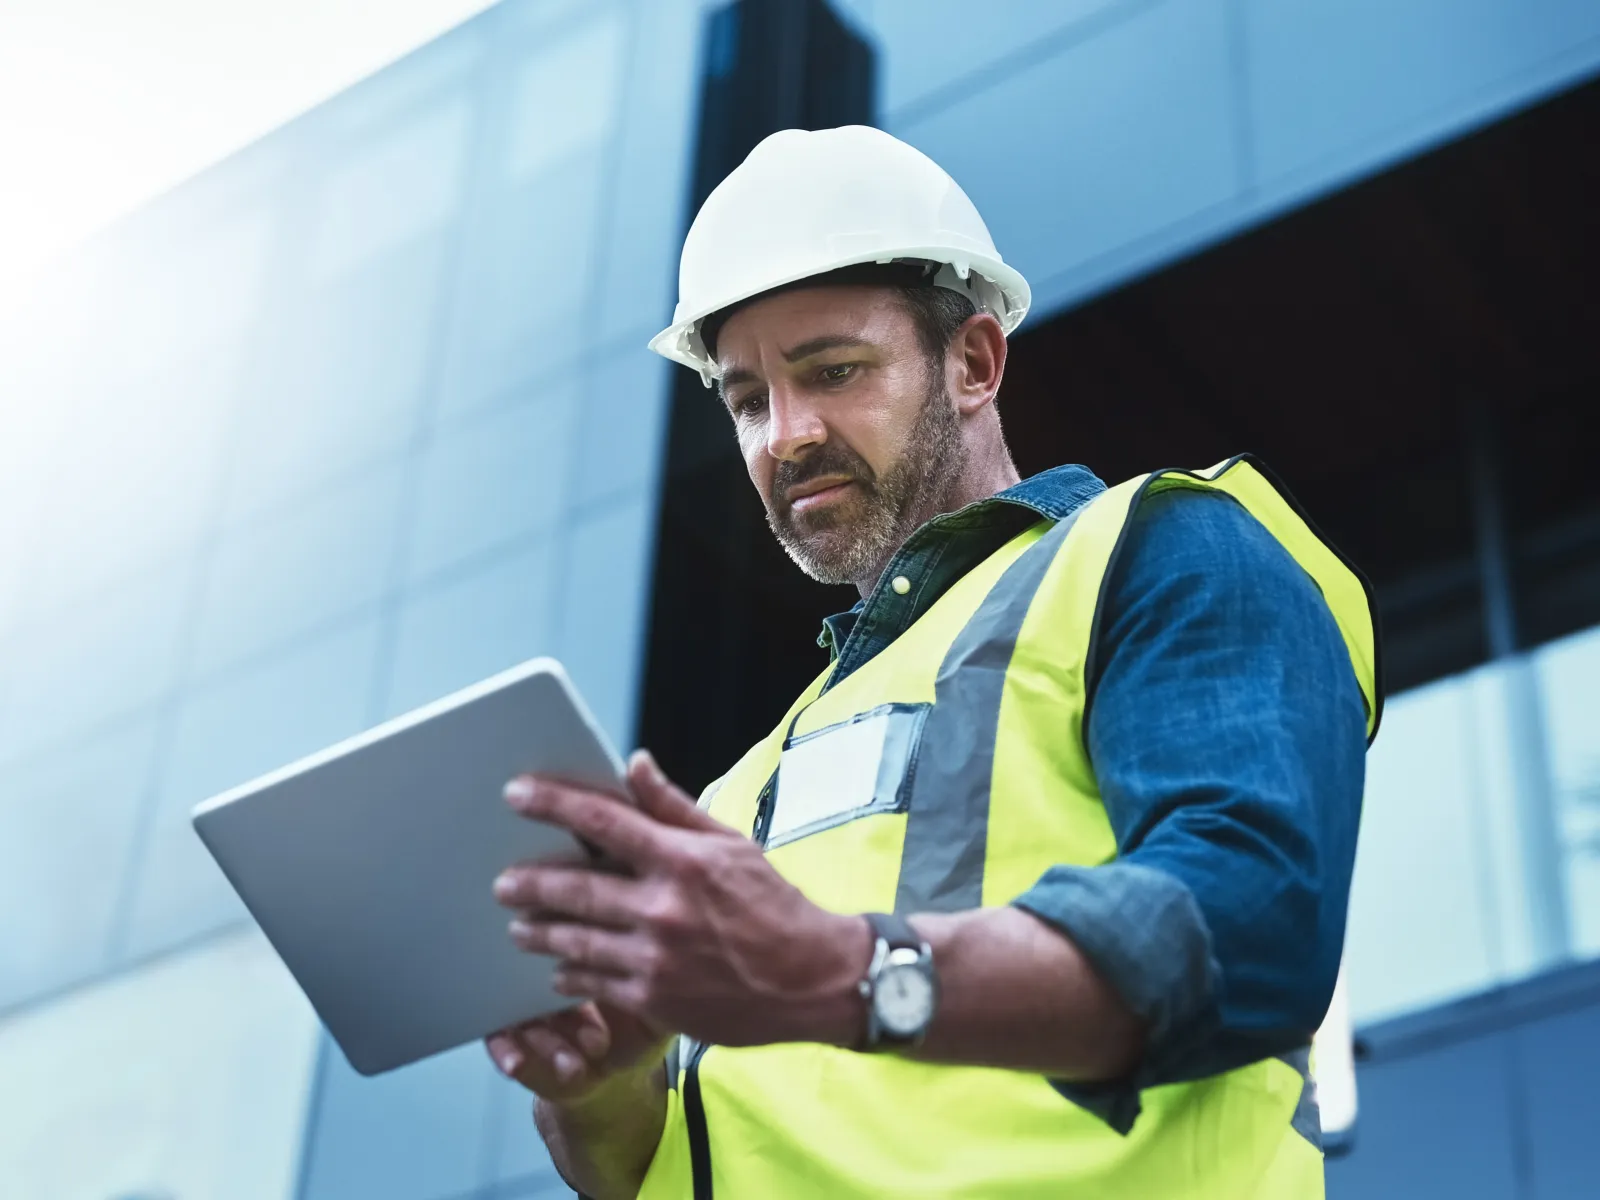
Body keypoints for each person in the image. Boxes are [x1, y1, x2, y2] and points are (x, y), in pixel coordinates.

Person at [483, 126, 1379, 1199]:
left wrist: (841, 973)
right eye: (748, 400)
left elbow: (1251, 925)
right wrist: (598, 1091)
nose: (784, 435)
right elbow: (658, 1173)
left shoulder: (1158, 550)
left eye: (833, 371)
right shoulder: (735, 796)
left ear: (972, 361)